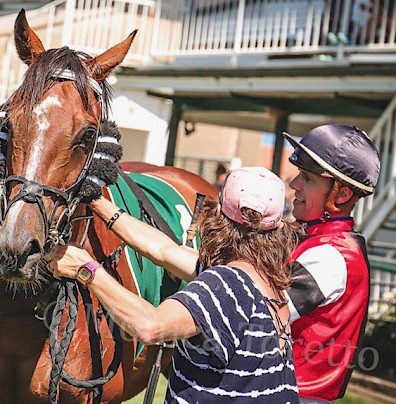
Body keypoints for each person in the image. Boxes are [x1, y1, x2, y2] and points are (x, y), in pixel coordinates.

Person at [52, 166, 301, 402]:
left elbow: (150, 326)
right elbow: (162, 249)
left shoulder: (223, 284)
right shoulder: (262, 277)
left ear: (216, 215)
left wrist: (85, 269)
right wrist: (98, 201)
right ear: (277, 227)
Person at [282, 124, 380, 403]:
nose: (294, 185)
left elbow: (247, 312)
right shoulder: (319, 242)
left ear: (341, 195)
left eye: (307, 179)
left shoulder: (331, 256)